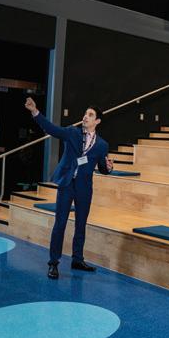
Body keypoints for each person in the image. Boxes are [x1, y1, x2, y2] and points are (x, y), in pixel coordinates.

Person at [25, 97, 113, 280]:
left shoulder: (102, 145)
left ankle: (77, 259)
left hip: (84, 188)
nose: (85, 117)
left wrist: (109, 168)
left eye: (90, 115)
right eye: (85, 113)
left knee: (81, 225)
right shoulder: (72, 132)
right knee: (60, 224)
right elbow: (52, 129)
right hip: (67, 184)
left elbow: (103, 168)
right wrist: (35, 112)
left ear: (97, 121)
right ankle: (53, 263)